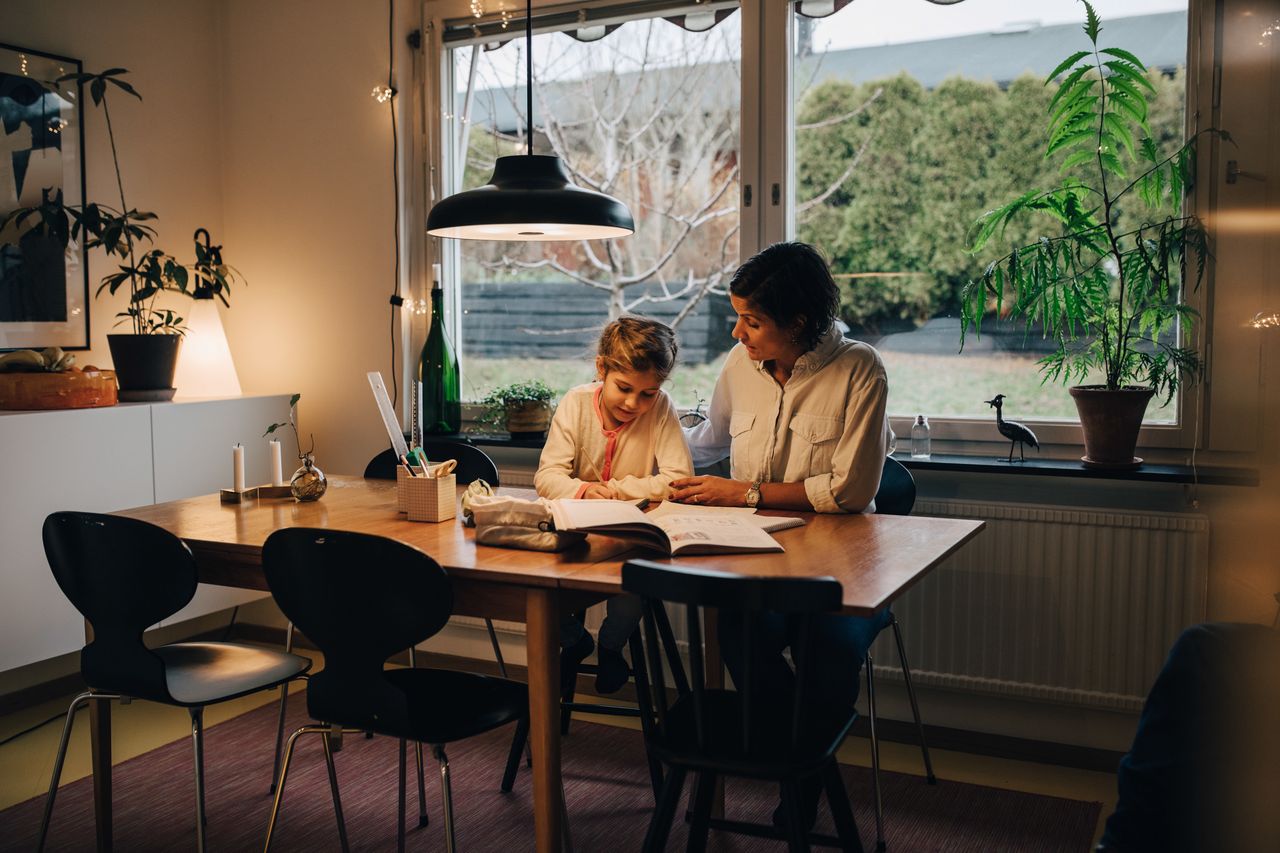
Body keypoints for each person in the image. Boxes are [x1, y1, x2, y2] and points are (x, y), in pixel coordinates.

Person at [673, 240, 892, 832]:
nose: (739, 334)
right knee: (738, 628)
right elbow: (709, 445)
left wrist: (745, 494)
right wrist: (645, 429)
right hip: (761, 558)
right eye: (738, 318)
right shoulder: (738, 365)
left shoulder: (860, 369)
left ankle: (798, 787)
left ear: (797, 322)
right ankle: (803, 768)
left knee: (829, 649)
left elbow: (848, 490)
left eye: (752, 321)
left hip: (845, 567)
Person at [536, 316, 693, 693]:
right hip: (573, 533)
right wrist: (585, 492)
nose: (632, 403)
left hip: (628, 536)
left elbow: (679, 479)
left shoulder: (661, 408)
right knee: (539, 590)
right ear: (601, 368)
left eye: (647, 393)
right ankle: (575, 641)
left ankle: (611, 647)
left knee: (630, 589)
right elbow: (547, 477)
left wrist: (616, 489)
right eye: (623, 388)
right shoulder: (575, 403)